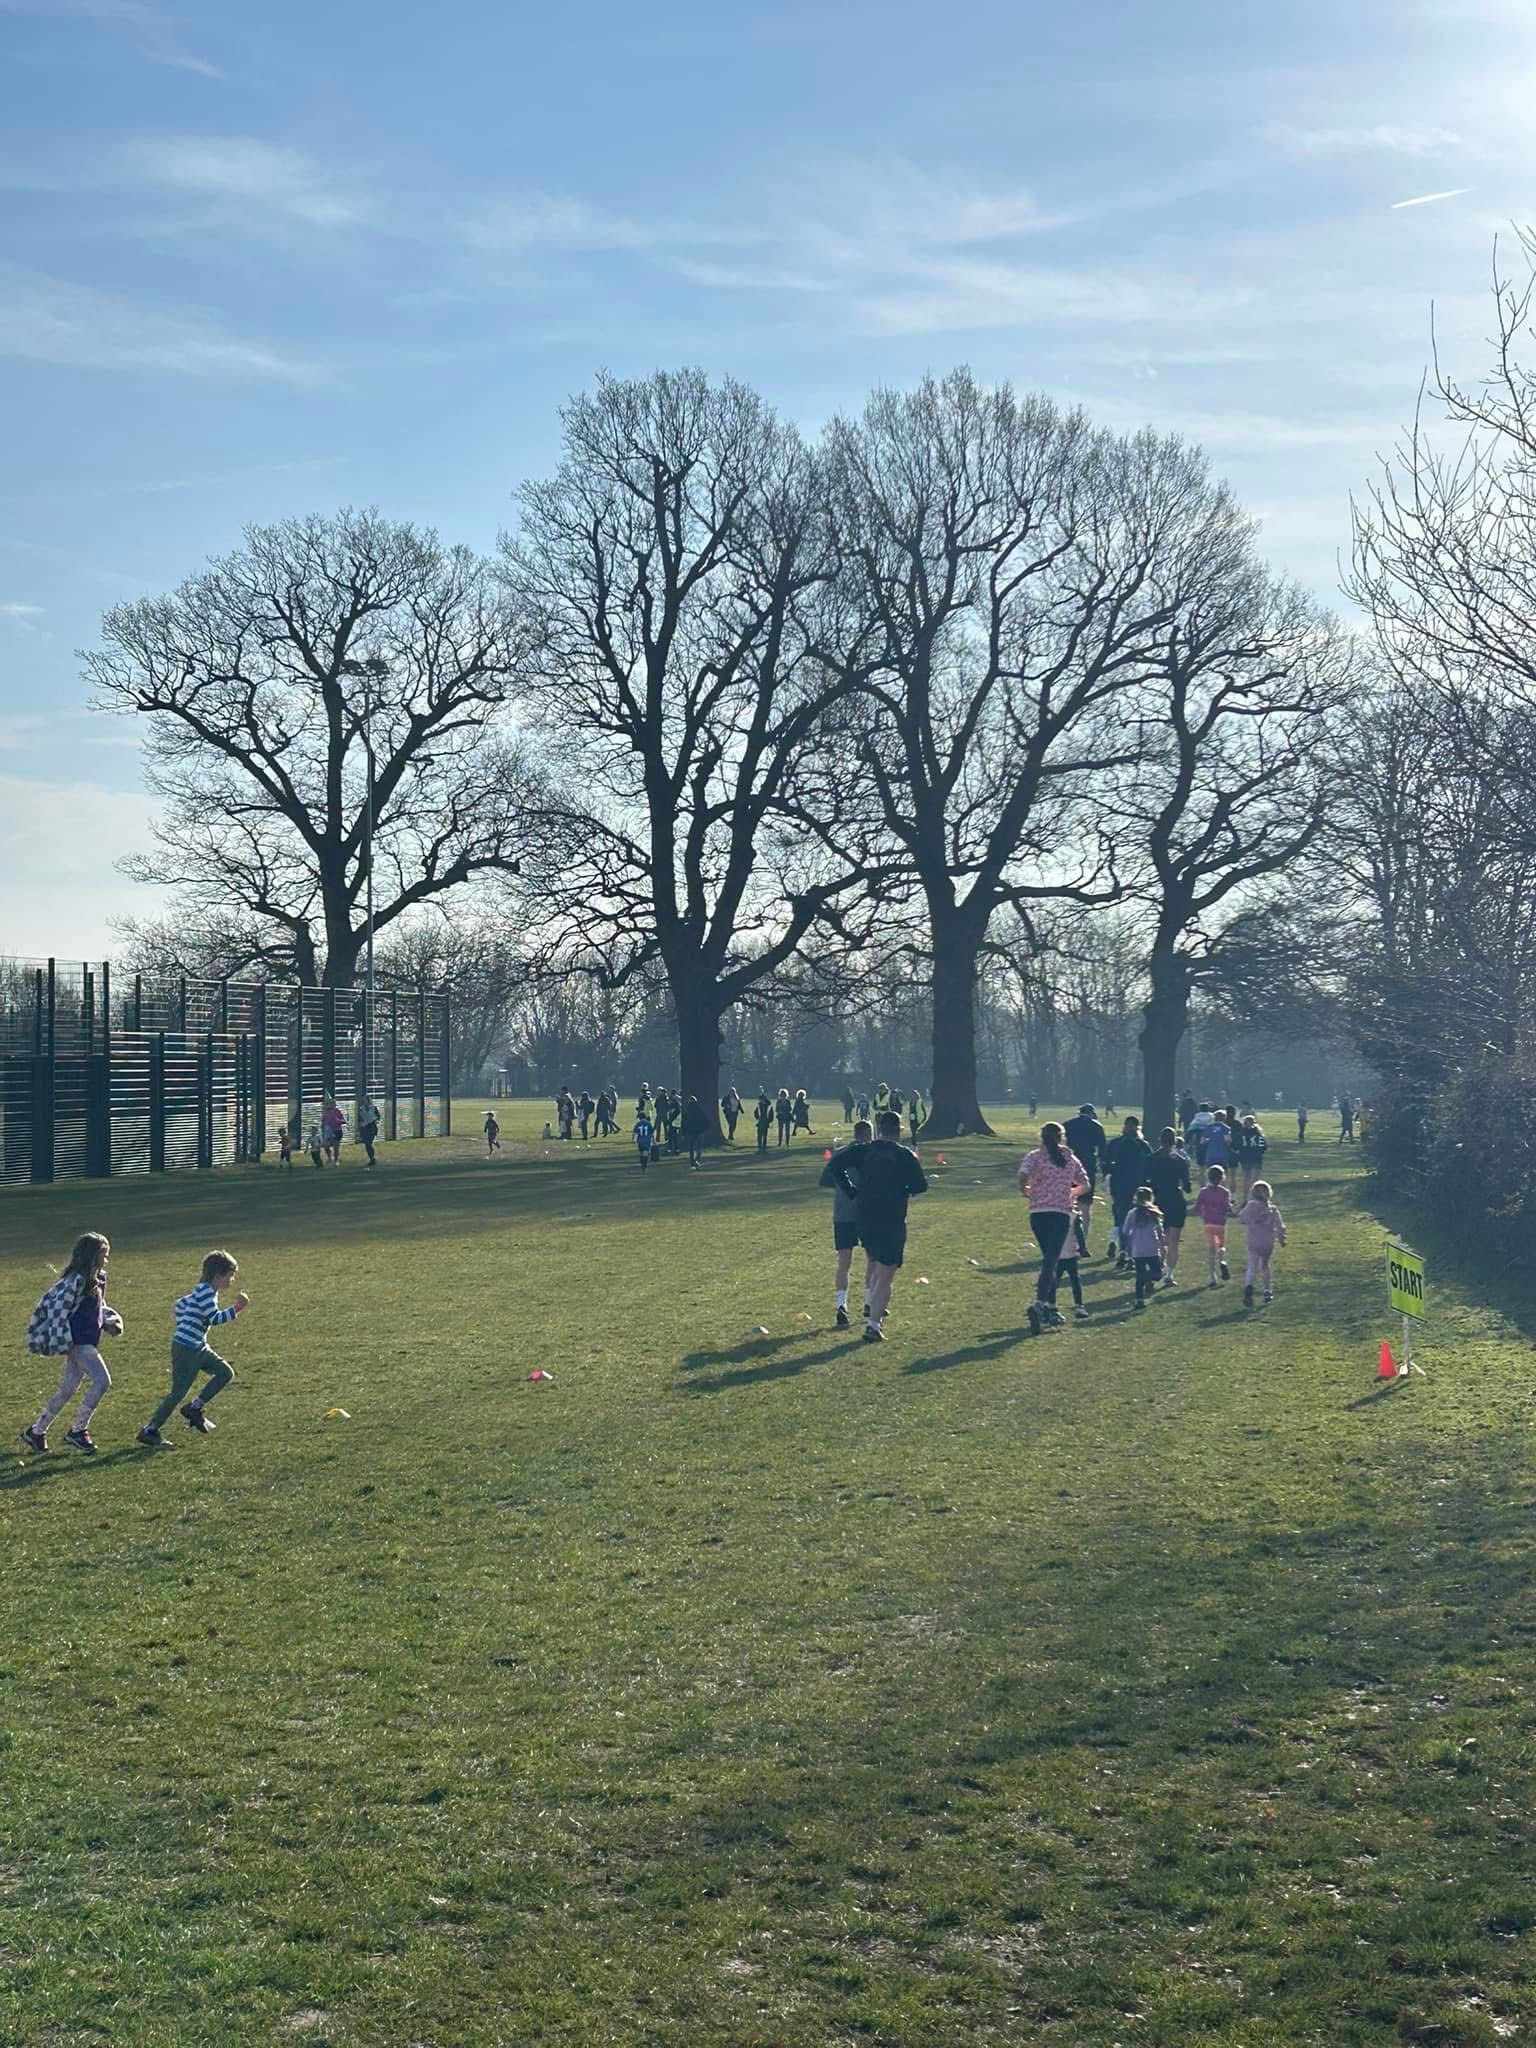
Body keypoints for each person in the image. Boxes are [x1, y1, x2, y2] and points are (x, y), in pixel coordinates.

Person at [22, 1231, 121, 1456]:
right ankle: (78, 1430)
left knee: (68, 1388)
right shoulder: (77, 1280)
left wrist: (110, 1321)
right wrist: (62, 1340)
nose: (106, 1259)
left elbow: (99, 1307)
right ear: (92, 1255)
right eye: (104, 1254)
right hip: (78, 1343)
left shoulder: (99, 1278)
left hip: (89, 1341)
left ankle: (37, 1431)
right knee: (103, 1381)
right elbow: (58, 1309)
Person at [138, 1249, 249, 1448]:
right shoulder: (206, 1292)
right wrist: (237, 1308)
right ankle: (150, 1430)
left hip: (198, 1346)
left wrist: (185, 1324)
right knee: (178, 1392)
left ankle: (194, 1408)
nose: (231, 1280)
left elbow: (180, 1304)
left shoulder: (204, 1290)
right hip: (187, 1349)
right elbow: (215, 1318)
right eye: (230, 1275)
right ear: (218, 1275)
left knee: (225, 1373)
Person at [837, 1110, 927, 1343]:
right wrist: (902, 1189)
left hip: (864, 1219)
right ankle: (873, 1325)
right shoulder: (904, 1155)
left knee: (876, 1264)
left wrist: (852, 1191)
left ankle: (870, 1305)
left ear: (878, 1129)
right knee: (886, 1273)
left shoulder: (864, 1150)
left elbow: (835, 1166)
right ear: (899, 1130)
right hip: (891, 1219)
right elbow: (920, 1185)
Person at [1017, 1122, 1089, 1336]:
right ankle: (1041, 1303)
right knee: (1051, 1261)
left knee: (1049, 1259)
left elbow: (1022, 1174)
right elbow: (1085, 1184)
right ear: (1061, 1137)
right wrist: (1071, 1193)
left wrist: (1025, 1190)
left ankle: (1049, 1306)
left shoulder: (1034, 1156)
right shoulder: (1070, 1158)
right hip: (1060, 1213)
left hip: (1038, 1213)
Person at [821, 1119, 873, 1327]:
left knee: (844, 1263)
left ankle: (841, 1304)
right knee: (873, 1259)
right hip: (866, 1213)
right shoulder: (872, 1154)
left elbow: (825, 1181)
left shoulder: (840, 1153)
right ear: (868, 1135)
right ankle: (869, 1301)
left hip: (842, 1213)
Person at [1145, 1127, 1192, 1289]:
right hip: (1175, 1200)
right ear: (1174, 1141)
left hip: (1158, 1200)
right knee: (1174, 1241)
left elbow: (1145, 1180)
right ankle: (1169, 1275)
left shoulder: (1151, 1158)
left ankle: (1156, 1267)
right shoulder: (1180, 1160)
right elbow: (1187, 1187)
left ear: (1160, 1140)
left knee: (1157, 1238)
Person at [1104, 1115, 1153, 1267]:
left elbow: (1106, 1164)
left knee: (1121, 1219)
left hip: (1119, 1186)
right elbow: (1148, 1167)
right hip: (1137, 1187)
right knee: (1135, 1220)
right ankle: (1130, 1253)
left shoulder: (1115, 1144)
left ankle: (1123, 1250)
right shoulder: (1142, 1146)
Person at [1063, 1105, 1109, 1247]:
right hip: (1088, 1167)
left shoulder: (1068, 1125)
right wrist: (1105, 1171)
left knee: (1069, 1202)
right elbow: (1102, 1151)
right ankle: (1082, 1239)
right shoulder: (1096, 1126)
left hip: (1069, 1167)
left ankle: (1068, 1237)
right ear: (1092, 1113)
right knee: (1085, 1205)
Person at [1237, 1179, 1287, 1305]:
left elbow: (1241, 1218)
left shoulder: (1251, 1206)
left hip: (1253, 1241)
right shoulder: (1273, 1209)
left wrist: (1251, 1221)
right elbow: (1280, 1226)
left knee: (1252, 1265)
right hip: (1267, 1242)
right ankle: (1267, 1290)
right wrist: (1281, 1238)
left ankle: (1249, 1285)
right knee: (1265, 1265)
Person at [1124, 1188, 1167, 1310]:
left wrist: (1128, 1245)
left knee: (1139, 1276)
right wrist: (1162, 1243)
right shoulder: (1153, 1212)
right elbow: (1159, 1230)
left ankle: (1140, 1297)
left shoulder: (1132, 1213)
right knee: (1157, 1274)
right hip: (1152, 1248)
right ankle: (1146, 1284)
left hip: (1138, 1249)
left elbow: (1126, 1230)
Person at [1193, 1166, 1234, 1287]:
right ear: (1221, 1178)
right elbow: (1227, 1208)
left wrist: (1200, 1213)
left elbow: (1197, 1207)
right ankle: (1222, 1260)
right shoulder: (1225, 1192)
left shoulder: (1203, 1192)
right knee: (1221, 1246)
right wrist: (1231, 1208)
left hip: (1208, 1223)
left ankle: (1212, 1277)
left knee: (1211, 1249)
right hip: (1220, 1223)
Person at [1237, 1114, 1268, 1199]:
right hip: (1256, 1157)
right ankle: (1254, 1197)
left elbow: (1237, 1145)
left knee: (1246, 1179)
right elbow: (1263, 1146)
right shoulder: (1258, 1133)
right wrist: (1260, 1152)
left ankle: (1246, 1197)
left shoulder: (1241, 1132)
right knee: (1255, 1179)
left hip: (1245, 1157)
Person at [680, 1093, 710, 1170]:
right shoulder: (700, 1110)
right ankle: (697, 1160)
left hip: (691, 1132)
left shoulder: (687, 1111)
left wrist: (683, 1132)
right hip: (700, 1132)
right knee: (699, 1147)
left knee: (691, 1148)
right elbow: (706, 1120)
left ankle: (692, 1163)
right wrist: (704, 1129)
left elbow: (683, 1123)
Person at [1202, 1111, 1235, 1177]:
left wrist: (1211, 1140)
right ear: (1224, 1118)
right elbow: (1228, 1141)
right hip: (1222, 1155)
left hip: (1211, 1155)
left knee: (1210, 1173)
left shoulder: (1208, 1127)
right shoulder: (1226, 1128)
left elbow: (1202, 1141)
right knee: (1222, 1174)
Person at [358, 1095, 381, 1169]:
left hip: (372, 1126)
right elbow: (359, 1119)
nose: (364, 1102)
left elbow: (378, 1117)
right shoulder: (361, 1109)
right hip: (365, 1127)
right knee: (367, 1144)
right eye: (363, 1100)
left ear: (368, 1101)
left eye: (365, 1100)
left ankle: (372, 1158)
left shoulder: (374, 1108)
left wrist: (374, 1119)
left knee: (369, 1142)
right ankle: (372, 1158)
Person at [321, 1098, 345, 1164]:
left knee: (336, 1147)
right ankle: (329, 1157)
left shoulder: (337, 1111)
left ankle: (336, 1160)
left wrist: (338, 1121)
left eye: (333, 1103)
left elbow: (343, 1121)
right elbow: (323, 1122)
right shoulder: (325, 1112)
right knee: (326, 1146)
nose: (331, 1105)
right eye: (330, 1103)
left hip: (337, 1131)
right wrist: (323, 1131)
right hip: (328, 1132)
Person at [633, 1106, 655, 1172]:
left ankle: (642, 1163)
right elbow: (651, 1134)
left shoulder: (638, 1124)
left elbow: (635, 1133)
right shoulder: (649, 1124)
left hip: (640, 1141)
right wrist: (653, 1141)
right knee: (646, 1153)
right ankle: (644, 1165)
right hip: (647, 1141)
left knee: (641, 1152)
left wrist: (634, 1140)